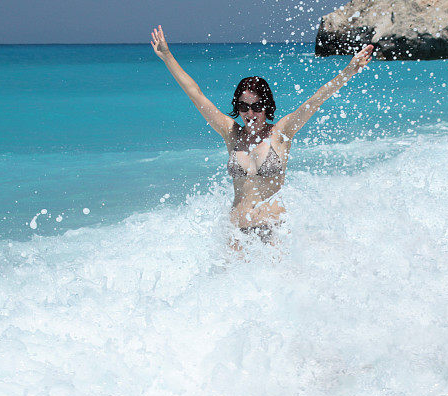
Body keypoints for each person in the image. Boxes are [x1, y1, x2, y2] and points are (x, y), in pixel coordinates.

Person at [150, 25, 373, 245]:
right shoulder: (232, 134)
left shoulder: (281, 132)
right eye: (244, 106)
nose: (250, 113)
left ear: (267, 106)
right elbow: (195, 94)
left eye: (257, 106)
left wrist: (349, 71)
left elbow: (315, 101)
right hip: (236, 233)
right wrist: (167, 56)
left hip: (274, 231)